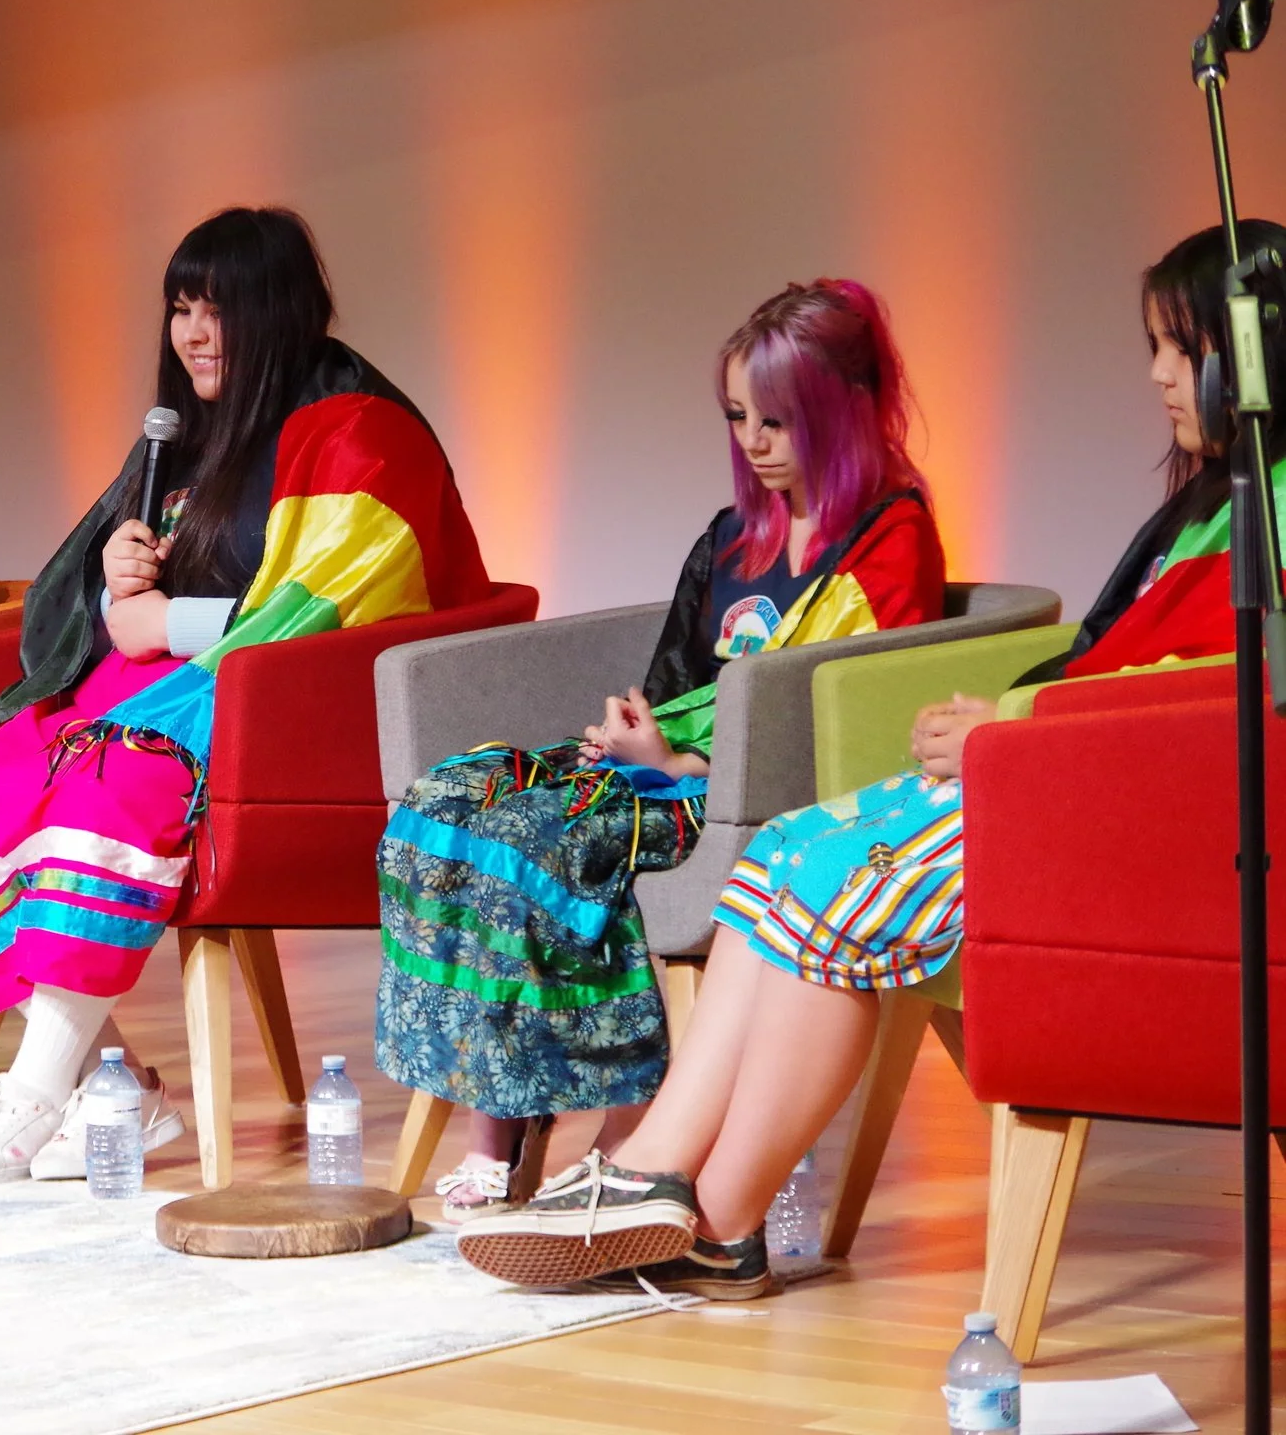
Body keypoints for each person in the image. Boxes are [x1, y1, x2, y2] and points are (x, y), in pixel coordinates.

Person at [453, 220, 1280, 1301]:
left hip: (1122, 806)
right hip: (1059, 768)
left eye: (1180, 347)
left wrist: (1017, 725)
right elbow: (1123, 658)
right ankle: (665, 1181)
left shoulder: (1264, 505)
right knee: (786, 850)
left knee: (832, 892)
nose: (1159, 375)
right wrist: (1010, 715)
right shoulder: (1209, 500)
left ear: (1250, 351)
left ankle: (704, 1207)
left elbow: (1226, 685)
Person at [0, 206, 494, 1186]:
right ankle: (118, 1086)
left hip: (295, 725)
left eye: (217, 309)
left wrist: (168, 627)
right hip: (167, 689)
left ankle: (37, 1087)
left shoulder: (359, 431)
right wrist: (115, 583)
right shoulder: (185, 441)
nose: (191, 334)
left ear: (278, 313)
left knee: (115, 773)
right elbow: (124, 612)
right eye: (180, 307)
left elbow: (329, 622)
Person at [376, 280, 944, 1223]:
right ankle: (500, 1117)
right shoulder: (732, 538)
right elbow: (676, 678)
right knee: (440, 805)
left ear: (845, 410)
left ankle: (610, 1112)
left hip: (734, 801)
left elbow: (834, 726)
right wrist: (632, 734)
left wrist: (676, 765)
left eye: (779, 421)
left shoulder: (889, 542)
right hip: (657, 769)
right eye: (738, 418)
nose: (755, 443)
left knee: (530, 839)